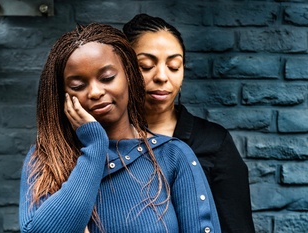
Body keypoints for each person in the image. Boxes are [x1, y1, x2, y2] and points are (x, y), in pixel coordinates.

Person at [19, 22, 221, 233]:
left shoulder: (173, 156)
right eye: (78, 86)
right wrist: (95, 147)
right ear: (62, 95)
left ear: (129, 77)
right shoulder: (45, 160)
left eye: (107, 78)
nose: (95, 92)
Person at [123, 13, 255, 233]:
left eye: (174, 66)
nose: (162, 77)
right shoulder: (103, 141)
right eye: (145, 66)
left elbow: (237, 226)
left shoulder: (214, 142)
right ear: (123, 70)